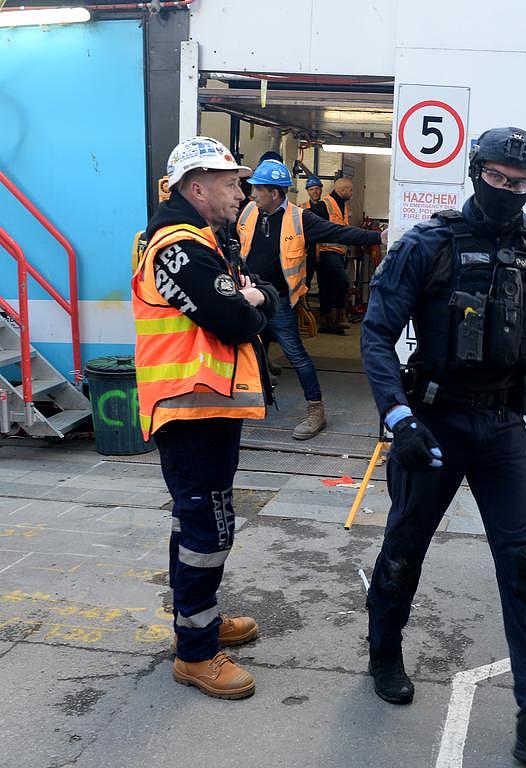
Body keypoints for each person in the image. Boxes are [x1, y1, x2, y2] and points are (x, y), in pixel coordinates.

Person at [360, 127, 526, 768]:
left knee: (524, 568)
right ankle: (384, 650)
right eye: (495, 176)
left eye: (518, 182)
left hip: (502, 432)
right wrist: (400, 418)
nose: (506, 189)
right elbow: (378, 333)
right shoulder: (427, 245)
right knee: (403, 550)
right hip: (432, 426)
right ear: (475, 173)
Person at [132, 136, 279, 699]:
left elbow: (256, 297)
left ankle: (197, 621)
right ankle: (195, 653)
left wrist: (255, 298)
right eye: (230, 183)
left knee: (194, 524)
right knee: (208, 528)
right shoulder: (178, 248)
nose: (239, 192)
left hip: (204, 408)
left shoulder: (197, 242)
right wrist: (255, 304)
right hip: (191, 410)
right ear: (197, 188)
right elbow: (238, 322)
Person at [237, 159, 387, 440]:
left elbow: (339, 232)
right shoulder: (247, 213)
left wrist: (378, 237)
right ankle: (248, 404)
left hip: (280, 302)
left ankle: (315, 409)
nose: (252, 193)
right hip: (249, 299)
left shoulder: (299, 218)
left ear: (275, 193)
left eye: (258, 189)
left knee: (296, 355)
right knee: (248, 352)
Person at [301, 175, 351, 334]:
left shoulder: (343, 204)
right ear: (343, 190)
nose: (315, 192)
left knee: (328, 286)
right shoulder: (325, 205)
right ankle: (338, 314)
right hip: (323, 252)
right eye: (311, 189)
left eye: (317, 189)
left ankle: (328, 321)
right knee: (341, 281)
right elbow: (306, 216)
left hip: (337, 252)